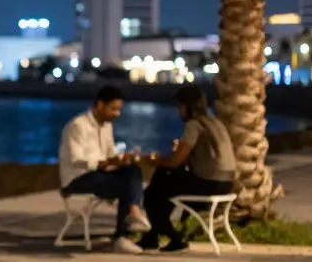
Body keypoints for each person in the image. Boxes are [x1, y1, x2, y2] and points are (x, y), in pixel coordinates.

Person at [139, 85, 236, 253]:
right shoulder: (214, 122)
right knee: (163, 183)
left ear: (188, 106)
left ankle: (174, 238)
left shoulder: (194, 124)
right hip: (227, 183)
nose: (179, 111)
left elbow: (175, 161)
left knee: (152, 194)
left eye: (180, 106)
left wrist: (150, 160)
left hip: (208, 184)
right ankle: (152, 236)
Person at [57, 85, 151, 253]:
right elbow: (76, 159)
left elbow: (110, 154)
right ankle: (124, 232)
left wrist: (122, 160)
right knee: (125, 185)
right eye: (113, 109)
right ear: (100, 105)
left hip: (100, 175)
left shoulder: (107, 126)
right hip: (78, 178)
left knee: (133, 171)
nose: (117, 114)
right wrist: (105, 163)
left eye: (119, 110)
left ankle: (131, 216)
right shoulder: (78, 125)